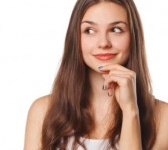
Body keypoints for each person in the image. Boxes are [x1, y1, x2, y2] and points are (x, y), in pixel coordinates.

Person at [24, 0, 168, 149]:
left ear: (133, 36)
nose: (104, 43)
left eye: (116, 29)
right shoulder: (43, 111)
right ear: (75, 38)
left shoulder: (163, 117)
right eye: (90, 30)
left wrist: (131, 111)